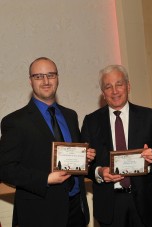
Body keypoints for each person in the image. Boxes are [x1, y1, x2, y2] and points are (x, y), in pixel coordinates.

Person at [0, 57, 96, 227]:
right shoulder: (15, 121)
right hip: (39, 213)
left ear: (57, 78)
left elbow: (73, 157)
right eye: (38, 76)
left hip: (76, 210)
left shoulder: (70, 116)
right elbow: (6, 169)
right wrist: (46, 178)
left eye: (50, 75)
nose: (45, 81)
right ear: (30, 81)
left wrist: (85, 157)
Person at [81, 64, 152, 227]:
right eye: (108, 86)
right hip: (110, 205)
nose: (114, 91)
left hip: (146, 202)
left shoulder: (151, 116)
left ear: (128, 86)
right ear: (103, 93)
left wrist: (151, 160)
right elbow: (84, 162)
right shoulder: (91, 121)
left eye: (119, 84)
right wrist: (99, 172)